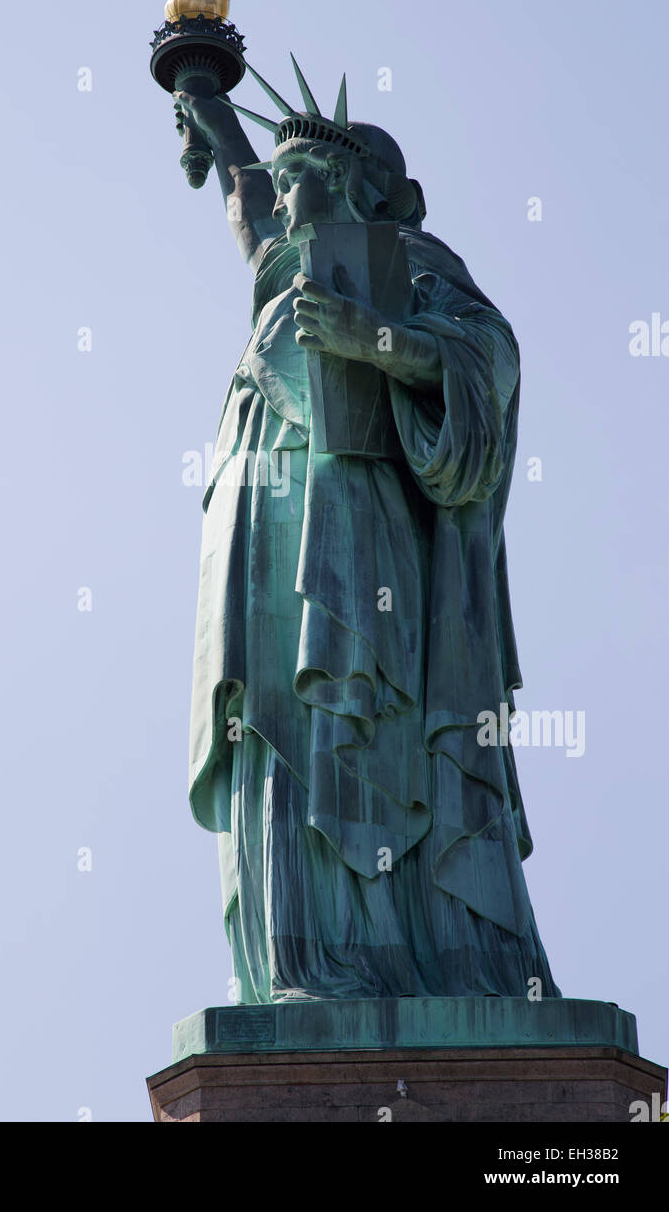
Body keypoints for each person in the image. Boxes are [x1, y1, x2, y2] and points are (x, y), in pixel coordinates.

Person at [175, 73, 560, 1003]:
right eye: (280, 171)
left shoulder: (403, 258)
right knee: (277, 719)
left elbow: (488, 358)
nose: (278, 187)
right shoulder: (284, 267)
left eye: (301, 169)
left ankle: (429, 962)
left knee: (361, 718)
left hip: (363, 516)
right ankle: (306, 962)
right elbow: (243, 194)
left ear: (359, 188)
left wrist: (373, 340)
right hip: (263, 514)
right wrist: (198, 84)